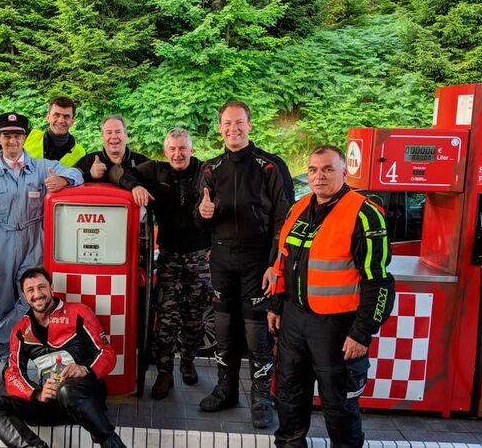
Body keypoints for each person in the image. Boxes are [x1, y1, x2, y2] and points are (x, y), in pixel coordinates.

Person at [266, 146, 395, 448]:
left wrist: (361, 333)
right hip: (294, 321)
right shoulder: (297, 208)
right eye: (313, 170)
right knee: (289, 397)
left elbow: (379, 282)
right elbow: (283, 261)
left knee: (339, 407)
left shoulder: (364, 214)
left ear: (343, 172)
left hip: (337, 329)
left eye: (327, 169)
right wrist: (275, 304)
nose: (319, 176)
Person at [194, 101, 292, 427]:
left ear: (250, 125)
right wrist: (203, 214)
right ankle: (226, 389)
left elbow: (285, 221)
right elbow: (199, 219)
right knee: (223, 328)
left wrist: (274, 263)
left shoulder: (270, 166)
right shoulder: (209, 168)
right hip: (221, 258)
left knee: (255, 331)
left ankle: (262, 395)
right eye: (227, 123)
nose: (233, 129)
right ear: (219, 127)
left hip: (257, 259)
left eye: (239, 123)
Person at [0, 112, 84, 375]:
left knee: (31, 300)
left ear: (25, 138)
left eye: (17, 135)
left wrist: (64, 180)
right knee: (2, 304)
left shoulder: (42, 166)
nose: (12, 140)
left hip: (34, 239)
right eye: (6, 135)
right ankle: (7, 359)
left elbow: (77, 173)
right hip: (0, 241)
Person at [109, 128, 211, 399]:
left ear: (191, 149)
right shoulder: (156, 170)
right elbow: (118, 171)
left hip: (201, 256)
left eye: (183, 149)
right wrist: (136, 186)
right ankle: (165, 372)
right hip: (168, 256)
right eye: (173, 149)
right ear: (165, 151)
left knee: (195, 318)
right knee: (165, 319)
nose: (178, 154)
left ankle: (188, 363)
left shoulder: (206, 170)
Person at [0, 268, 125, 448]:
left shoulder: (78, 312)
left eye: (42, 287)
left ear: (51, 288)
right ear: (25, 296)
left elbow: (107, 353)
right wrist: (37, 393)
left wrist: (85, 369)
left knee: (67, 390)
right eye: (31, 290)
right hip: (51, 404)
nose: (37, 294)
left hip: (84, 397)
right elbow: (12, 373)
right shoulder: (20, 330)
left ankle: (114, 445)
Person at [0, 91, 86, 166]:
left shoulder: (80, 153)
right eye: (56, 115)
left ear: (72, 121)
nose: (61, 120)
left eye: (66, 116)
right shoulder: (26, 137)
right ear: (48, 117)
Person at [74, 115, 150, 183]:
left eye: (118, 132)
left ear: (126, 135)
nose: (114, 136)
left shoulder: (143, 163)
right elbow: (72, 181)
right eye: (109, 132)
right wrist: (90, 175)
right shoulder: (87, 161)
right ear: (102, 137)